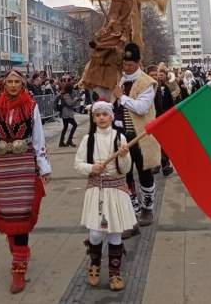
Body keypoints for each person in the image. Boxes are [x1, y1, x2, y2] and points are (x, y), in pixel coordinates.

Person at [0, 69, 52, 294]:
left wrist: (44, 167)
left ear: (23, 83)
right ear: (3, 84)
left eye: (17, 81)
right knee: (6, 211)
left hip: (24, 165)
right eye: (10, 81)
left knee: (22, 212)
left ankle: (18, 269)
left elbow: (38, 139)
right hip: (1, 166)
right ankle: (19, 250)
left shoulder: (32, 106)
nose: (13, 85)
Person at [74, 101, 135, 291]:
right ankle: (94, 264)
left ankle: (115, 273)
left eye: (105, 114)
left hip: (116, 189)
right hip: (96, 189)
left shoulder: (121, 137)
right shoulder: (88, 139)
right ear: (93, 118)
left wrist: (124, 155)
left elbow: (126, 169)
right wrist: (92, 167)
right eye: (97, 115)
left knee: (115, 232)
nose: (101, 118)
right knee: (96, 232)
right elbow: (77, 164)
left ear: (111, 117)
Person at [112, 43, 161, 238]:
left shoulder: (147, 82)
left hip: (141, 137)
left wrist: (121, 97)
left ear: (139, 62)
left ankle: (147, 209)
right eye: (125, 64)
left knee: (144, 172)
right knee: (125, 174)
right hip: (121, 137)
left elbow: (141, 108)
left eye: (131, 64)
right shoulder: (119, 79)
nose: (127, 67)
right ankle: (131, 214)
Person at [58, 83, 79, 148]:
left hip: (65, 113)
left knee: (65, 127)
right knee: (75, 125)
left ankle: (61, 142)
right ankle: (69, 141)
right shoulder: (66, 95)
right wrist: (75, 99)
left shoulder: (64, 94)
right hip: (66, 113)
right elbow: (70, 103)